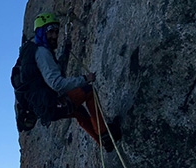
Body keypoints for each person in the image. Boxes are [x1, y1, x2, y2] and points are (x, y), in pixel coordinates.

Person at [19, 12, 120, 151]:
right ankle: (104, 134)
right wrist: (84, 79)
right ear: (42, 32)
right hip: (51, 104)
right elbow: (57, 83)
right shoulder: (41, 52)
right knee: (88, 91)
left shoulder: (31, 52)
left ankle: (103, 142)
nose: (55, 36)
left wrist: (66, 52)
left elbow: (53, 72)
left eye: (56, 32)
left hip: (45, 107)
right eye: (51, 32)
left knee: (78, 111)